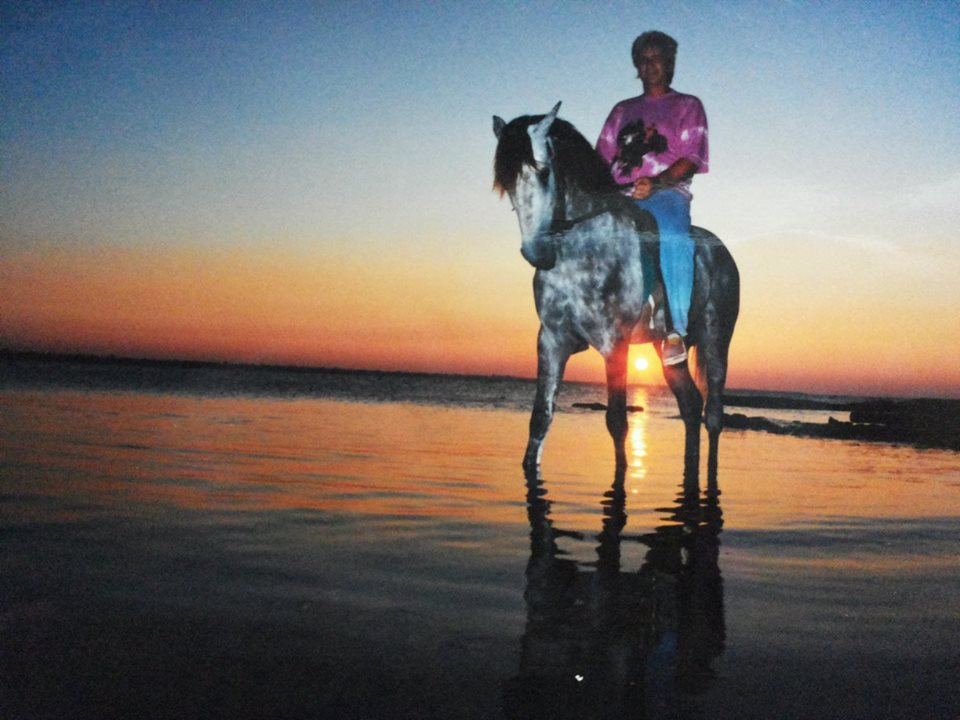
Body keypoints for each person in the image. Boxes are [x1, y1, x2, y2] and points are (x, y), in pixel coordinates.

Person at [596, 31, 708, 366]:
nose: (651, 65)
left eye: (658, 57)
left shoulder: (687, 106)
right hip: (619, 195)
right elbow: (600, 158)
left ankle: (676, 329)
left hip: (666, 193)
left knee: (674, 236)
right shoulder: (621, 110)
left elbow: (691, 157)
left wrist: (656, 183)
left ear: (670, 63)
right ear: (636, 67)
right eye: (644, 59)